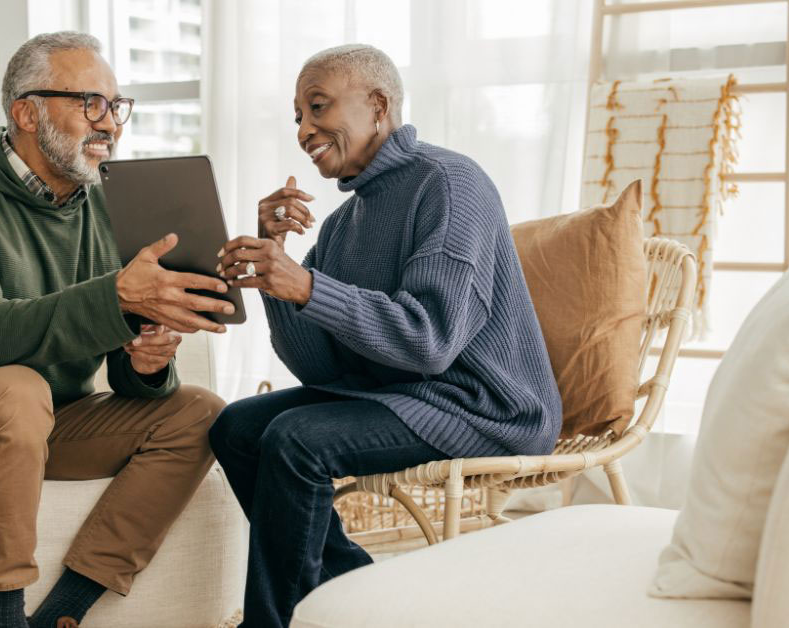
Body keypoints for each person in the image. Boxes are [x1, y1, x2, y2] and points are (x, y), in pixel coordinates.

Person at [0, 32, 236, 628]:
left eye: (116, 105)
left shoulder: (109, 206)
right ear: (25, 113)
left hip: (43, 420)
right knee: (15, 388)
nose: (109, 122)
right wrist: (115, 298)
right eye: (90, 102)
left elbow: (123, 372)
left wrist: (147, 362)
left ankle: (62, 613)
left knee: (200, 412)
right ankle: (4, 619)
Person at [208, 44, 563, 627]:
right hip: (399, 395)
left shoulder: (449, 185)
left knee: (297, 440)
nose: (304, 129)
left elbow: (430, 342)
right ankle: (361, 594)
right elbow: (322, 370)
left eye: (318, 107)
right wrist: (279, 271)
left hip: (483, 405)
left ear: (378, 105)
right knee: (238, 426)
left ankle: (270, 622)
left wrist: (306, 287)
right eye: (297, 115)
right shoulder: (345, 221)